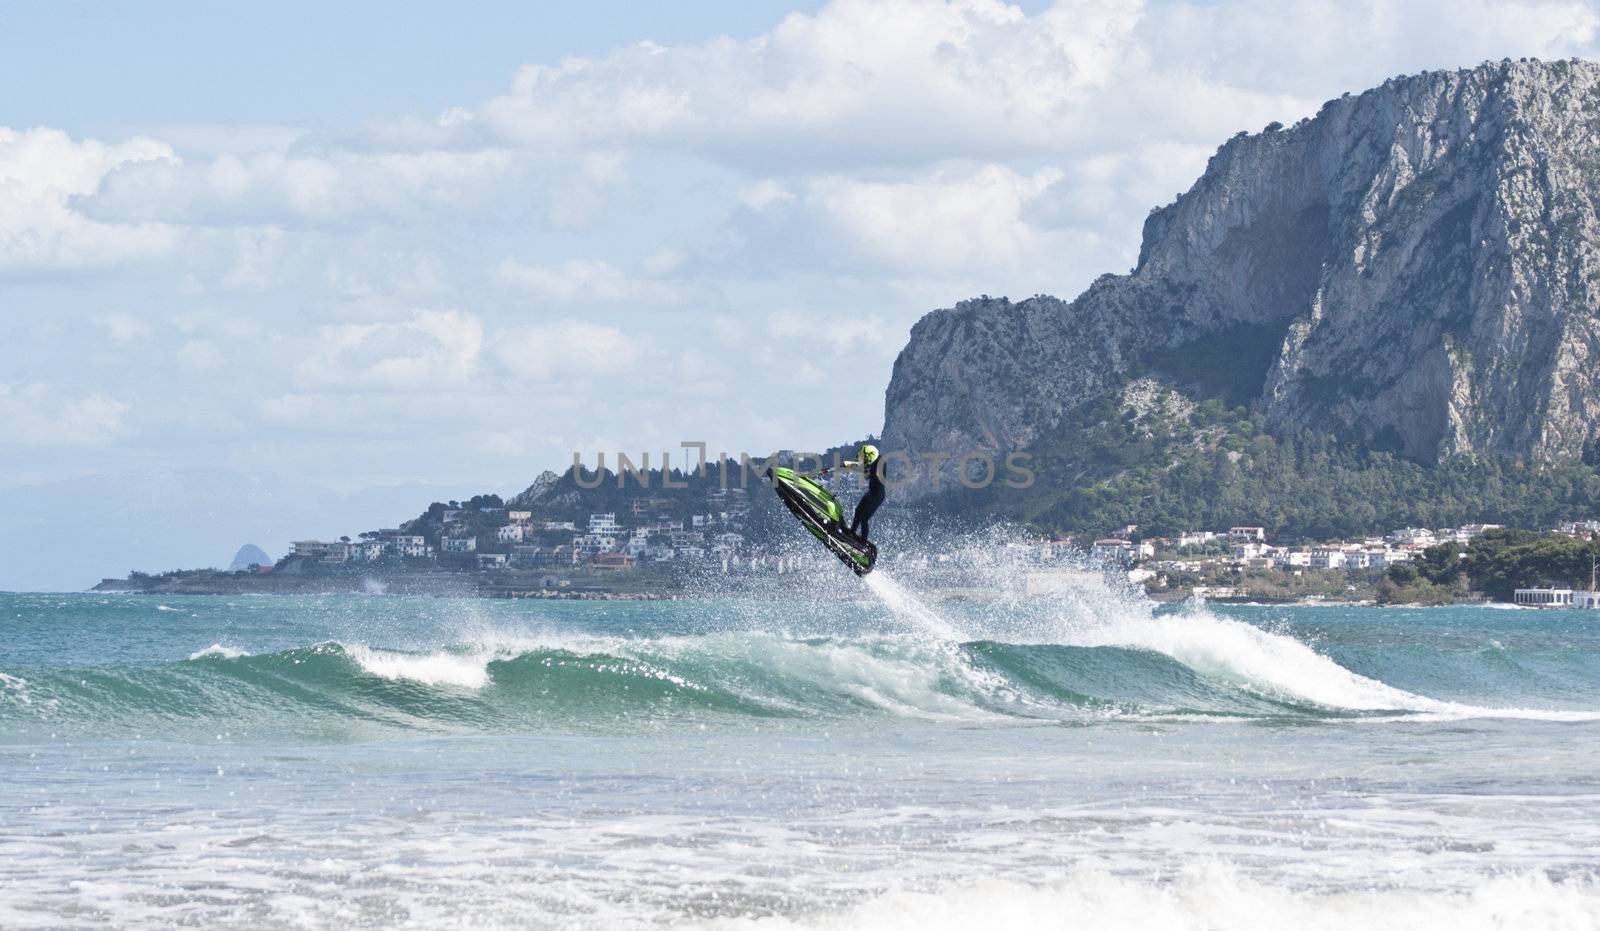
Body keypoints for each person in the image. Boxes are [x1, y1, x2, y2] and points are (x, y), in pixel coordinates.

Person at [842, 444, 884, 542]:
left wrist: (852, 466)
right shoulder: (873, 461)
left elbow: (869, 473)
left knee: (864, 518)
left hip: (878, 495)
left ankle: (863, 542)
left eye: (865, 458)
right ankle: (851, 533)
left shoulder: (880, 462)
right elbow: (864, 467)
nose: (864, 460)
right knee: (858, 511)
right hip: (871, 492)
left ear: (871, 456)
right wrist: (849, 464)